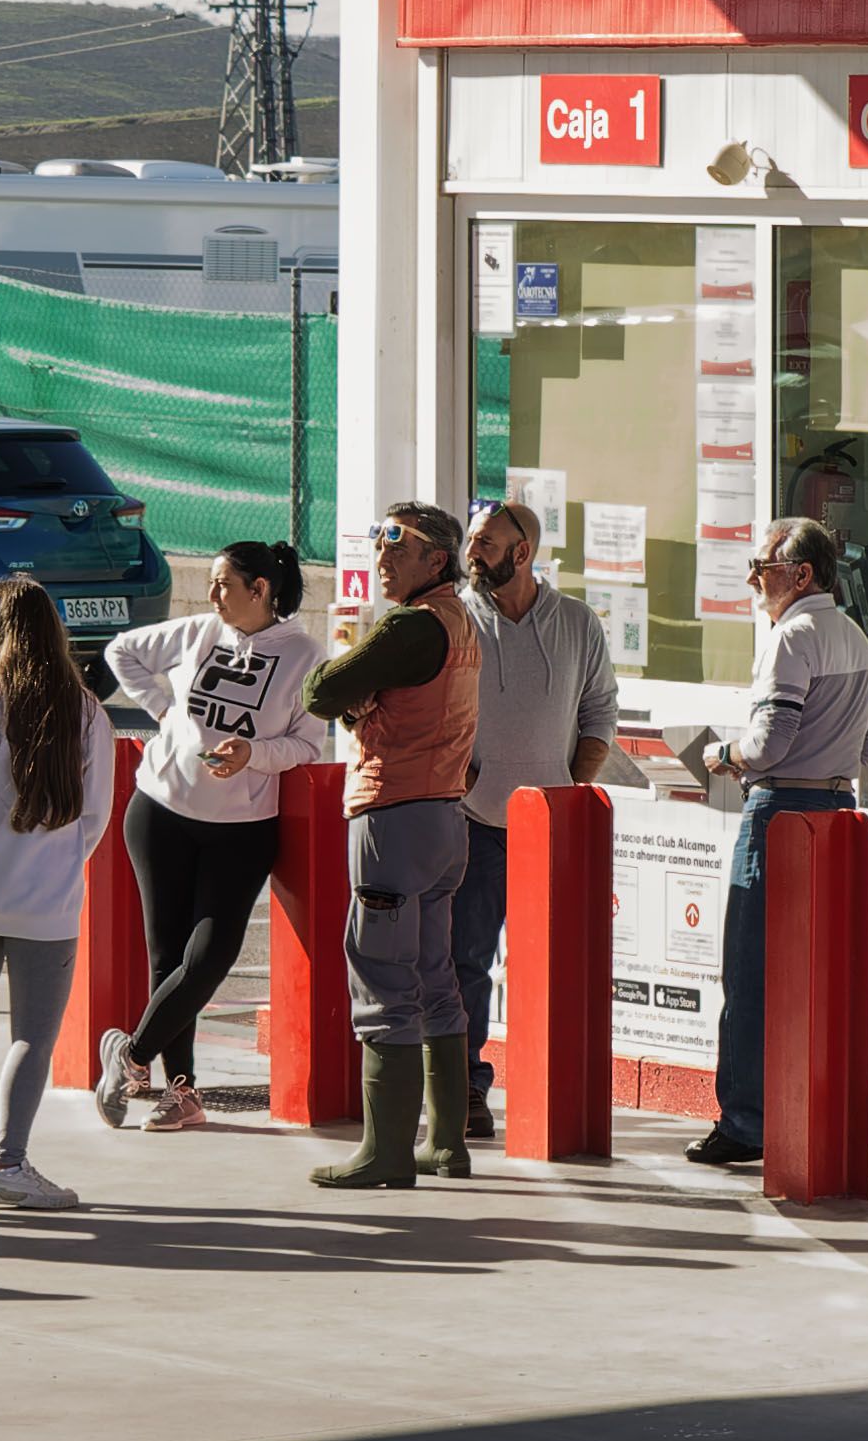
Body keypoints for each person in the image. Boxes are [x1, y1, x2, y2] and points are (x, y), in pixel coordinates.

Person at [99, 541, 323, 1133]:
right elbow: (121, 651)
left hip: (242, 829)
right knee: (166, 957)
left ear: (261, 590)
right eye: (214, 582)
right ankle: (183, 1094)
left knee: (210, 957)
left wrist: (254, 753)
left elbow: (307, 744)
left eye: (226, 583)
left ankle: (131, 1055)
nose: (213, 593)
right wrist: (166, 714)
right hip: (160, 811)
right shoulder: (198, 632)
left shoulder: (304, 655)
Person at [680, 514, 868, 1169]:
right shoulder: (855, 638)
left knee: (750, 973)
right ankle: (811, 1110)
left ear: (801, 574)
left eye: (762, 567)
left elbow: (768, 744)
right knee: (816, 973)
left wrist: (722, 753)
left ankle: (744, 1122)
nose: (751, 578)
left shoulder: (791, 636)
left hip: (779, 810)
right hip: (837, 807)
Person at [296, 502, 481, 1187]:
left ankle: (387, 1152)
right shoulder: (460, 621)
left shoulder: (411, 624)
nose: (382, 554)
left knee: (381, 978)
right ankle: (445, 1144)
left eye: (397, 543)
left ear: (437, 559)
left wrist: (353, 691)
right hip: (442, 812)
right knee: (435, 977)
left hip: (393, 814)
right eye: (377, 540)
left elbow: (323, 689)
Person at [0, 576, 114, 1212]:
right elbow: (95, 816)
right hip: (45, 898)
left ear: (2, 627)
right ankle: (9, 1165)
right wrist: (52, 862)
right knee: (32, 1034)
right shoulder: (85, 709)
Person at [451, 499, 616, 1138]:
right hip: (471, 823)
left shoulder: (577, 623)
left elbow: (600, 710)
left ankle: (553, 1092)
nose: (472, 552)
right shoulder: (456, 620)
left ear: (522, 553)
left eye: (486, 543)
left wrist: (572, 789)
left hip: (550, 830)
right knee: (465, 963)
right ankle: (467, 1089)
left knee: (552, 965)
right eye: (471, 539)